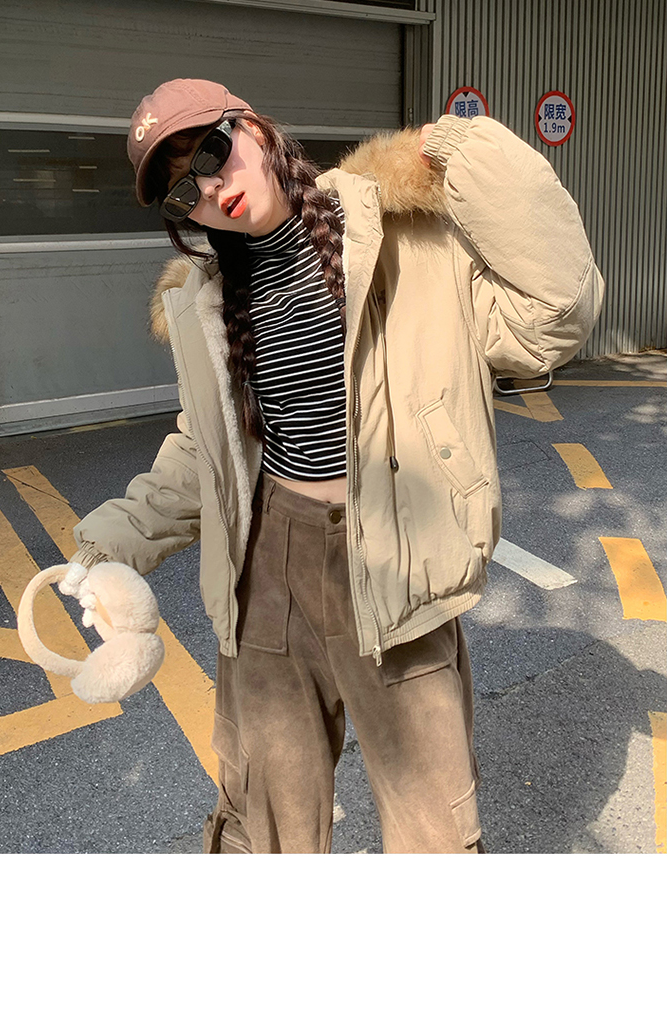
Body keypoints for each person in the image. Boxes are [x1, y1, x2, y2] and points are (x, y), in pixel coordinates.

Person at [67, 77, 604, 854]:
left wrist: (471, 150)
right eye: (183, 192)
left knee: (434, 831)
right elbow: (199, 450)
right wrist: (106, 543)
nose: (210, 188)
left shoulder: (404, 238)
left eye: (211, 152)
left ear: (255, 129)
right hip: (268, 566)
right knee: (264, 816)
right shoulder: (205, 300)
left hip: (398, 554)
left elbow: (553, 318)